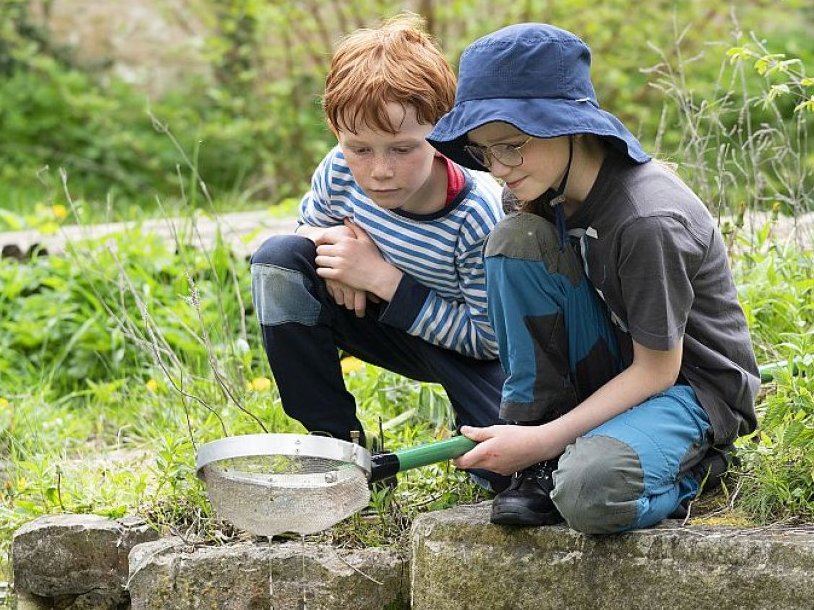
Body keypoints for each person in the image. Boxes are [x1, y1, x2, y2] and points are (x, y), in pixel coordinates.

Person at [426, 23, 760, 533]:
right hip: (613, 359)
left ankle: (698, 469)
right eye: (483, 151)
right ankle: (539, 459)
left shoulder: (648, 220)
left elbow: (658, 371)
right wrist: (534, 437)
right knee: (514, 241)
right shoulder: (532, 190)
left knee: (588, 493)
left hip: (688, 387)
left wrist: (548, 440)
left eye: (512, 145)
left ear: (570, 126)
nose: (498, 168)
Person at [249, 15, 508, 490]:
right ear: (335, 133)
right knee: (278, 261)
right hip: (380, 320)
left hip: (469, 349)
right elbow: (309, 226)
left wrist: (379, 276)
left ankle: (471, 436)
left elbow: (489, 339)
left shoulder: (479, 212)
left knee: (507, 471)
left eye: (403, 148)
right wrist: (336, 257)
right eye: (360, 149)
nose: (380, 170)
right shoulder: (339, 172)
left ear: (443, 131)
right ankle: (336, 447)